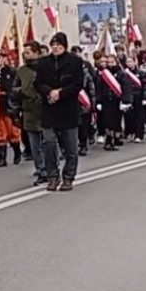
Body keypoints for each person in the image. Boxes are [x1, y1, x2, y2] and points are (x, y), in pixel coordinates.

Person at [34, 32, 85, 192]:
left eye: (59, 45)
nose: (55, 47)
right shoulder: (43, 63)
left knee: (70, 147)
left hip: (68, 109)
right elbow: (37, 83)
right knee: (48, 144)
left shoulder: (75, 61)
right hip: (49, 109)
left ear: (65, 46)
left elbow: (78, 84)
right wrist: (49, 92)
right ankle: (52, 176)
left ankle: (68, 177)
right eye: (53, 45)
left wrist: (61, 93)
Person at [12, 42, 47, 186]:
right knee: (35, 145)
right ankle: (41, 170)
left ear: (36, 52)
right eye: (24, 52)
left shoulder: (46, 68)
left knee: (48, 143)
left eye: (28, 52)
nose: (24, 54)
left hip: (45, 110)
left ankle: (51, 168)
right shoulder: (21, 71)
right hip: (29, 110)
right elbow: (14, 89)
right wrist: (21, 92)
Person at [0, 49, 21, 168]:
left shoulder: (11, 71)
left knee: (12, 130)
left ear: (4, 59)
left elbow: (14, 87)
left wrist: (5, 93)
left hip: (8, 104)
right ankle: (2, 158)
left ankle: (17, 152)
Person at [95, 55, 130, 151]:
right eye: (108, 62)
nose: (110, 64)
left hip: (116, 101)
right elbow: (99, 89)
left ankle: (115, 139)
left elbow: (126, 87)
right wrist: (98, 102)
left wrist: (125, 101)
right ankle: (108, 140)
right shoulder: (103, 74)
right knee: (107, 121)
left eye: (112, 62)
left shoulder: (121, 74)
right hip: (106, 101)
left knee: (116, 121)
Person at [122, 56, 146, 143]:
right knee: (129, 117)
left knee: (139, 116)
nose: (129, 63)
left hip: (138, 97)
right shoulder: (124, 73)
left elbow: (145, 86)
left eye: (131, 61)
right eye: (127, 62)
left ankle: (139, 135)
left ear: (134, 62)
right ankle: (130, 133)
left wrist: (145, 98)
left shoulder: (140, 73)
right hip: (129, 97)